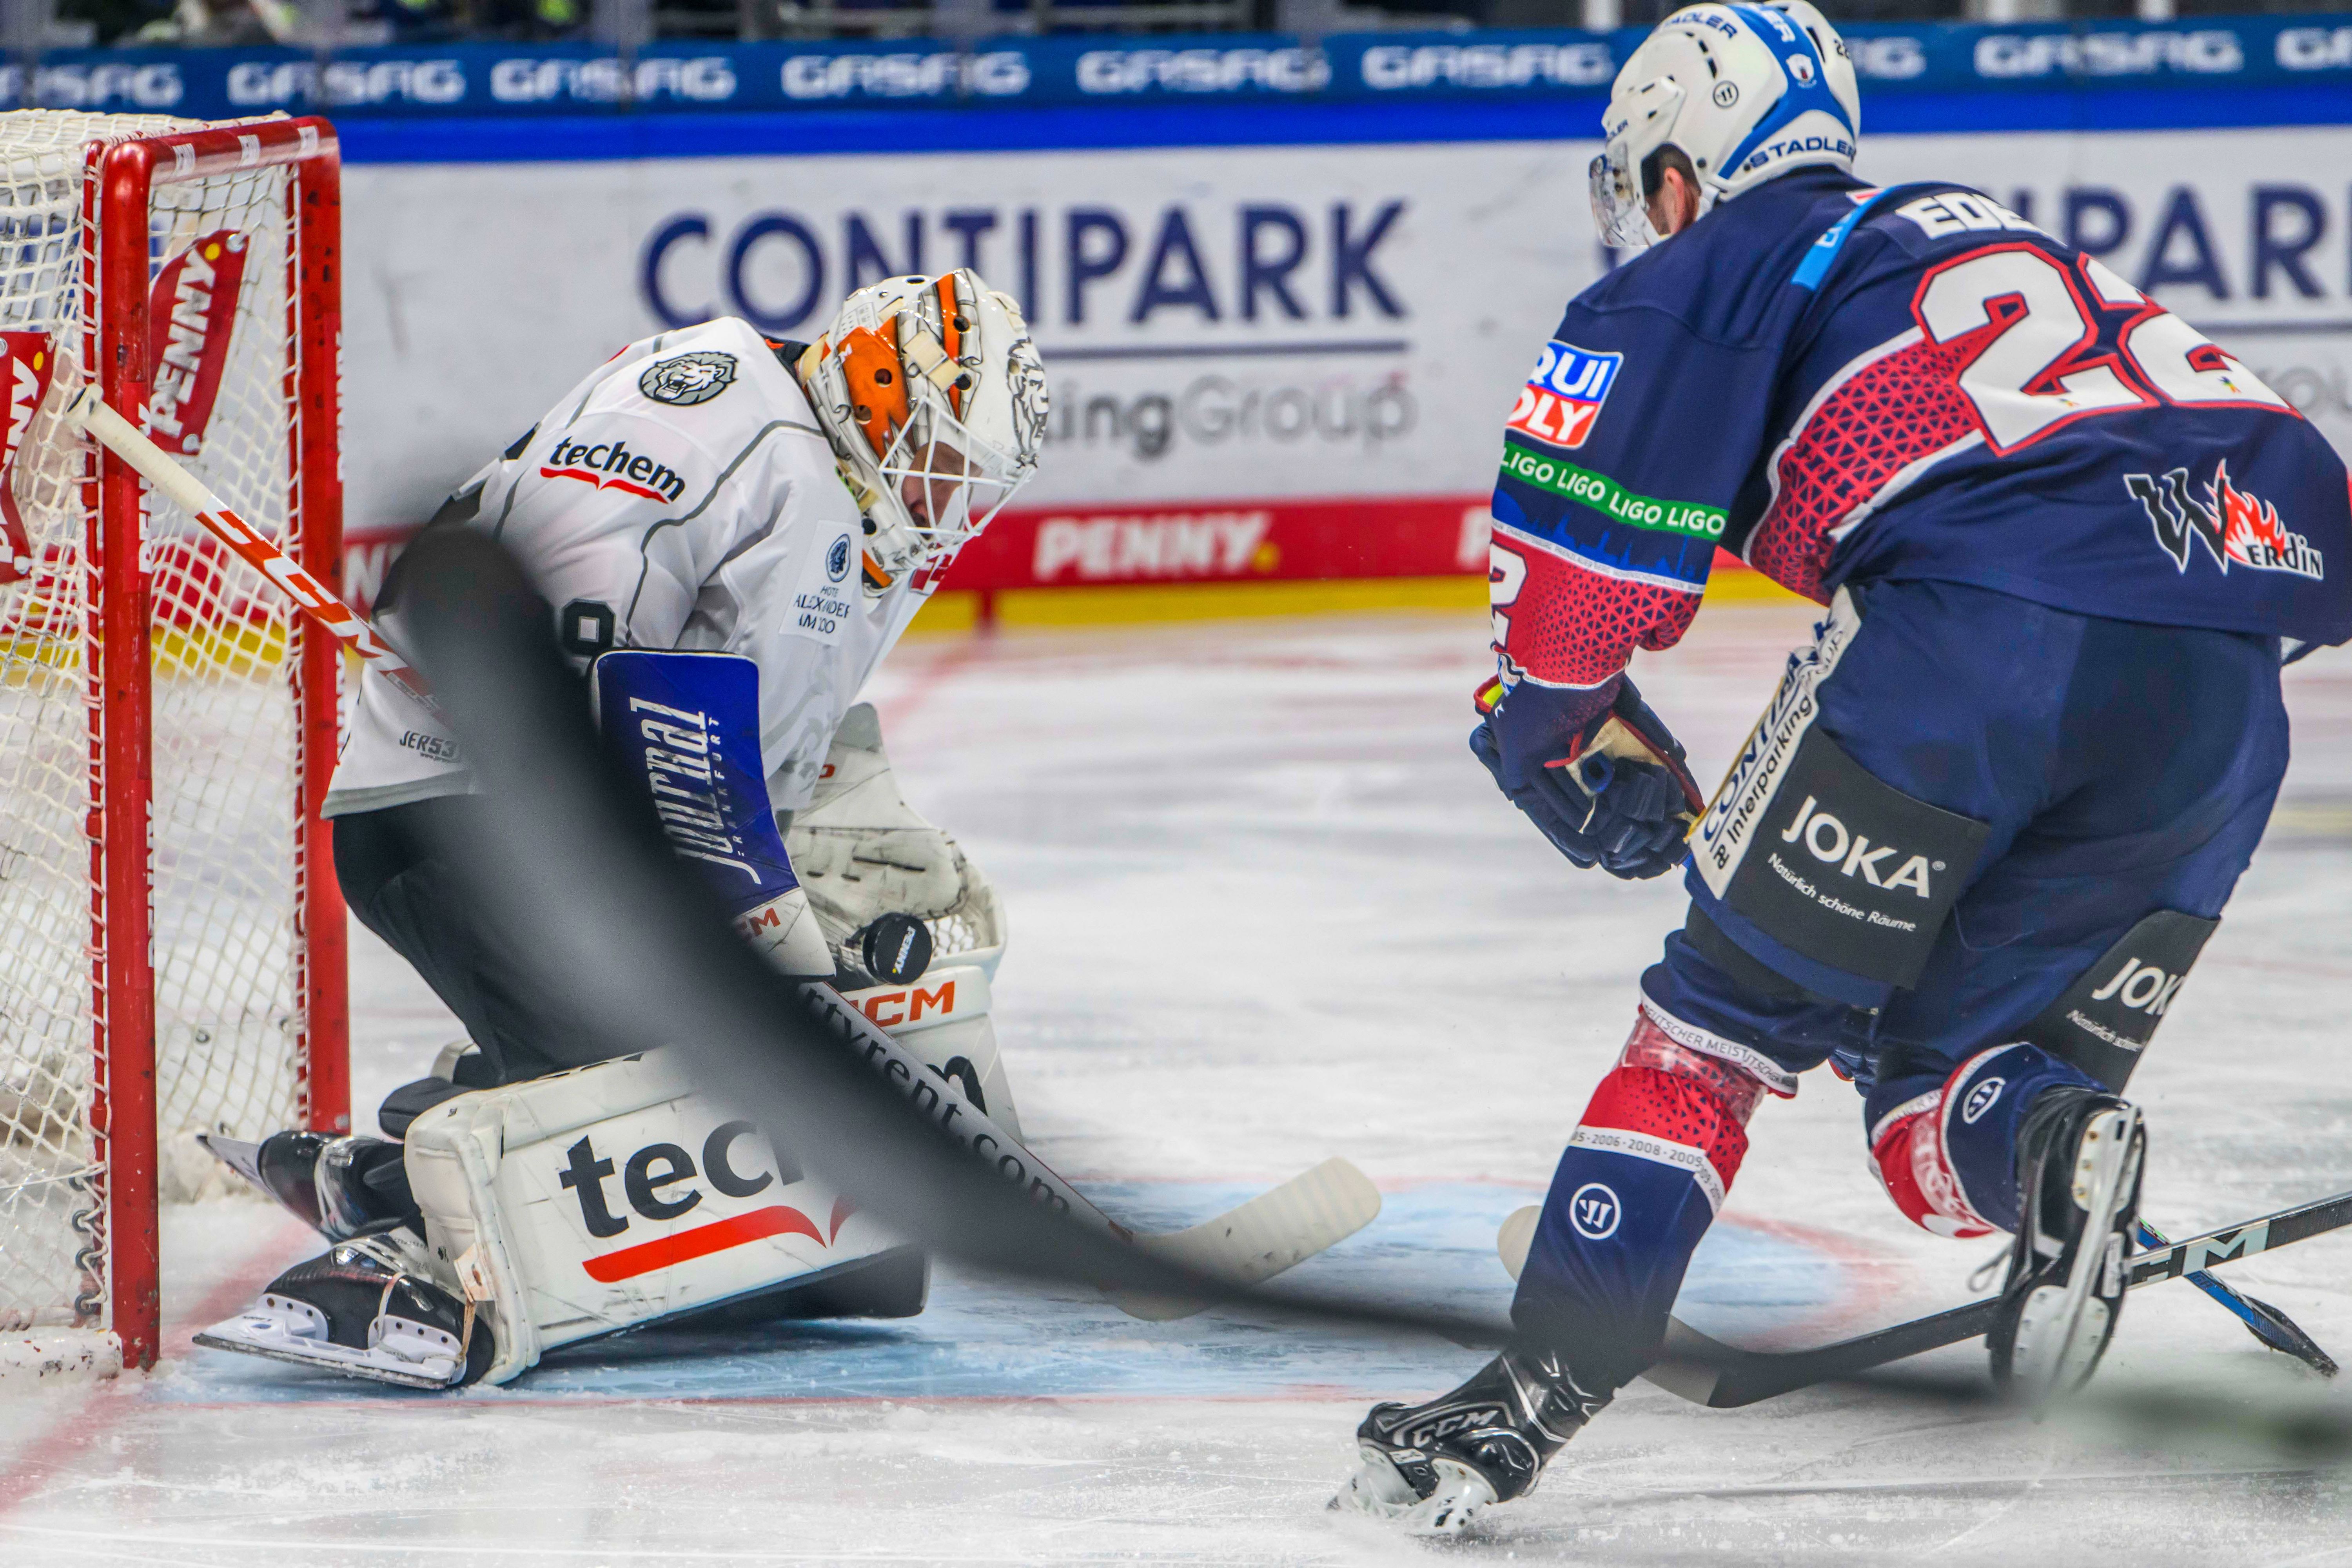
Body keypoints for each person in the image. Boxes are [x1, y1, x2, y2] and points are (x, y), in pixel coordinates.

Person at [1338, 0, 2352, 1534]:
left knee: (1712, 1034)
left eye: (1648, 182)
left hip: (1975, 650)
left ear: (1684, 168)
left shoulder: (1718, 262)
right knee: (1940, 1105)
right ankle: (2065, 1159)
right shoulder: (1977, 239)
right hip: (2224, 694)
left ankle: (1525, 1395)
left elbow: (1565, 609)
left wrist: (1553, 729)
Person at [195, 269, 1048, 1387]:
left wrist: (826, 886)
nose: (949, 504)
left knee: (843, 1263)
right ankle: (408, 1233)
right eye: (940, 463)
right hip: (467, 812)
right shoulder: (711, 408)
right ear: (878, 386)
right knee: (660, 1136)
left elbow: (738, 745)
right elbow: (563, 618)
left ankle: (413, 1145)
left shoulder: (857, 499)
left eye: (971, 484)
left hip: (630, 861)